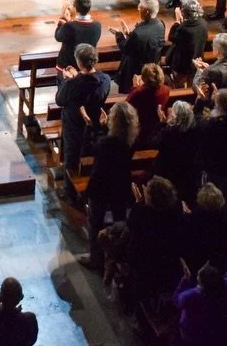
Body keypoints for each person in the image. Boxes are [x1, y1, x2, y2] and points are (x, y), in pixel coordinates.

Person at [80, 101, 139, 273]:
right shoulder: (131, 141)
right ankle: (116, 252)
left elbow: (87, 152)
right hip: (121, 185)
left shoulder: (105, 143)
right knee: (118, 218)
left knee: (95, 221)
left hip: (101, 186)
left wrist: (93, 128)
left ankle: (95, 258)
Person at [56, 44, 112, 193]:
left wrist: (66, 81)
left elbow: (60, 100)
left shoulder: (73, 84)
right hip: (94, 121)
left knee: (71, 155)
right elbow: (88, 87)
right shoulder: (105, 79)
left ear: (79, 62)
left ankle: (69, 191)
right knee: (86, 150)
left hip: (74, 124)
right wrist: (77, 76)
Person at [113, 0, 165, 92]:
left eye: (140, 7)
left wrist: (119, 35)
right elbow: (146, 41)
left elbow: (125, 48)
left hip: (137, 69)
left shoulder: (138, 33)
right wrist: (129, 35)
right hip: (153, 63)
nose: (138, 9)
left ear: (147, 11)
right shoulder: (161, 24)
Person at [164, 0, 210, 85]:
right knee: (192, 84)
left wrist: (177, 21)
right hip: (197, 59)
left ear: (184, 12)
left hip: (182, 64)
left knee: (179, 84)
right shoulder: (203, 23)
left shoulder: (183, 28)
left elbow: (171, 37)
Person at [54, 0, 102, 69]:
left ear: (75, 8)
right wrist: (69, 21)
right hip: (86, 66)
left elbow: (58, 36)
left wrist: (62, 18)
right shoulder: (97, 25)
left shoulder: (69, 26)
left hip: (68, 67)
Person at [127, 63, 171, 144]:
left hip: (142, 131)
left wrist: (135, 86)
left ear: (143, 79)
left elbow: (127, 105)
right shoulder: (166, 89)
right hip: (158, 127)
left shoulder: (138, 93)